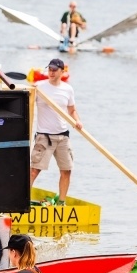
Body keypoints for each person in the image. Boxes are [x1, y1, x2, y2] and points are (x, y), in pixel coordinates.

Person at [30, 58, 83, 205]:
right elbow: (27, 102)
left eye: (54, 70)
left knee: (66, 170)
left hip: (63, 137)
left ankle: (61, 202)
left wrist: (77, 121)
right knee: (34, 170)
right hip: (44, 137)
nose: (51, 72)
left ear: (62, 71)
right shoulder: (39, 87)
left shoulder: (68, 89)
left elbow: (72, 110)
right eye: (50, 69)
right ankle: (21, 202)